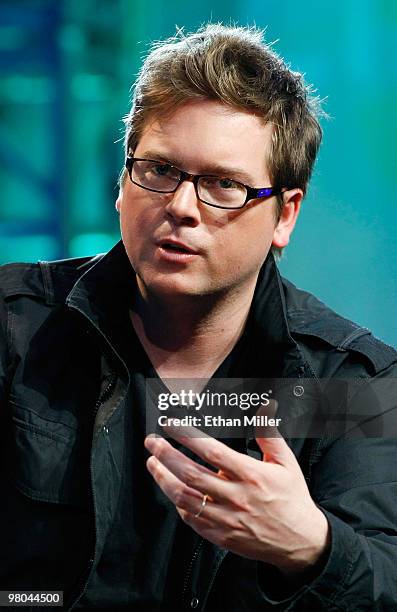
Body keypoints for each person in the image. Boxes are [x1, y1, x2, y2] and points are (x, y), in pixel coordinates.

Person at [0, 23, 396, 611]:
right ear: (121, 182)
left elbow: (386, 580)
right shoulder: (18, 328)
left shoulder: (345, 382)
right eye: (159, 171)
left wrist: (311, 547)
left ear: (285, 215)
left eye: (223, 185)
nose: (182, 207)